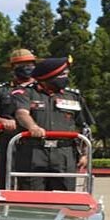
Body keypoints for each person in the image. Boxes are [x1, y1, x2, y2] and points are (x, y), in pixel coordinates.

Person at [13, 56, 95, 191]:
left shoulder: (73, 96)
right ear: (49, 76)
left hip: (64, 153)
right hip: (34, 151)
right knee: (31, 196)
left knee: (64, 196)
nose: (66, 78)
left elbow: (84, 127)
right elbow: (22, 113)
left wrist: (85, 154)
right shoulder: (27, 93)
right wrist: (32, 127)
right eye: (62, 75)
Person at [0, 49, 38, 189]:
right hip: (9, 140)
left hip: (36, 142)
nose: (27, 67)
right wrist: (2, 121)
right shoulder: (1, 90)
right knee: (5, 180)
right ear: (13, 67)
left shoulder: (41, 89)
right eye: (21, 64)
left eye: (30, 64)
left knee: (33, 182)